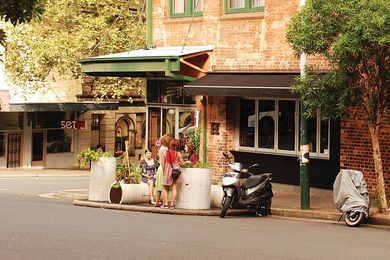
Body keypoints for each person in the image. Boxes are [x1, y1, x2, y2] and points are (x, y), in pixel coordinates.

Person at [161, 138, 188, 209]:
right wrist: (186, 162)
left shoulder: (165, 153)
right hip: (175, 172)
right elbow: (183, 164)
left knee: (165, 187)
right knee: (174, 188)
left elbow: (163, 164)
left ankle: (166, 204)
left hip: (167, 171)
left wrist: (164, 172)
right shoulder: (178, 154)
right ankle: (172, 204)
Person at [154, 134, 173, 207]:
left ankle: (157, 202)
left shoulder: (162, 147)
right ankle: (164, 202)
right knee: (164, 186)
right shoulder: (166, 149)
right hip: (164, 168)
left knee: (159, 186)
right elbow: (165, 161)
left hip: (160, 168)